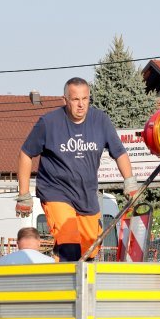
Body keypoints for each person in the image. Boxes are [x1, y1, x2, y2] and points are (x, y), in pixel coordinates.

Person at [15, 77, 137, 262]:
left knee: (90, 251)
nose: (81, 105)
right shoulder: (49, 123)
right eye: (75, 99)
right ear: (65, 100)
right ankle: (69, 284)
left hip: (87, 195)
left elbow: (119, 152)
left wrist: (130, 182)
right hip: (56, 193)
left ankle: (70, 272)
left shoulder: (100, 120)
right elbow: (25, 154)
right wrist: (24, 194)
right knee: (70, 246)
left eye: (85, 99)